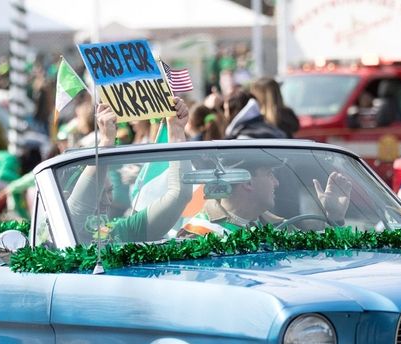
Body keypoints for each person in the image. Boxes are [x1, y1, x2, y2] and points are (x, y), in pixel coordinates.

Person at [65, 97, 192, 244]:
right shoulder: (60, 233)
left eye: (109, 191)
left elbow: (180, 195)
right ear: (65, 198)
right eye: (99, 194)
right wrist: (106, 141)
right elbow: (79, 208)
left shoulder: (120, 232)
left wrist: (176, 132)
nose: (107, 201)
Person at [180, 155, 352, 236]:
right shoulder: (198, 233)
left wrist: (335, 218)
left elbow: (319, 260)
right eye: (269, 174)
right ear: (247, 182)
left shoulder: (279, 226)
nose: (276, 183)